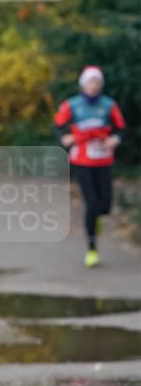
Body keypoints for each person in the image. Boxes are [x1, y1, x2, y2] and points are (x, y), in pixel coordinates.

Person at [54, 66, 125, 267]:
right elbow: (58, 125)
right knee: (91, 201)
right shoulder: (72, 105)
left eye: (96, 83)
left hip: (103, 159)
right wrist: (64, 138)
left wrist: (114, 140)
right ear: (82, 85)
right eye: (89, 82)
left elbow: (120, 129)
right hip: (81, 160)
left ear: (100, 85)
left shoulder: (109, 105)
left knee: (104, 205)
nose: (93, 86)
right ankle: (92, 247)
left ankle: (96, 218)